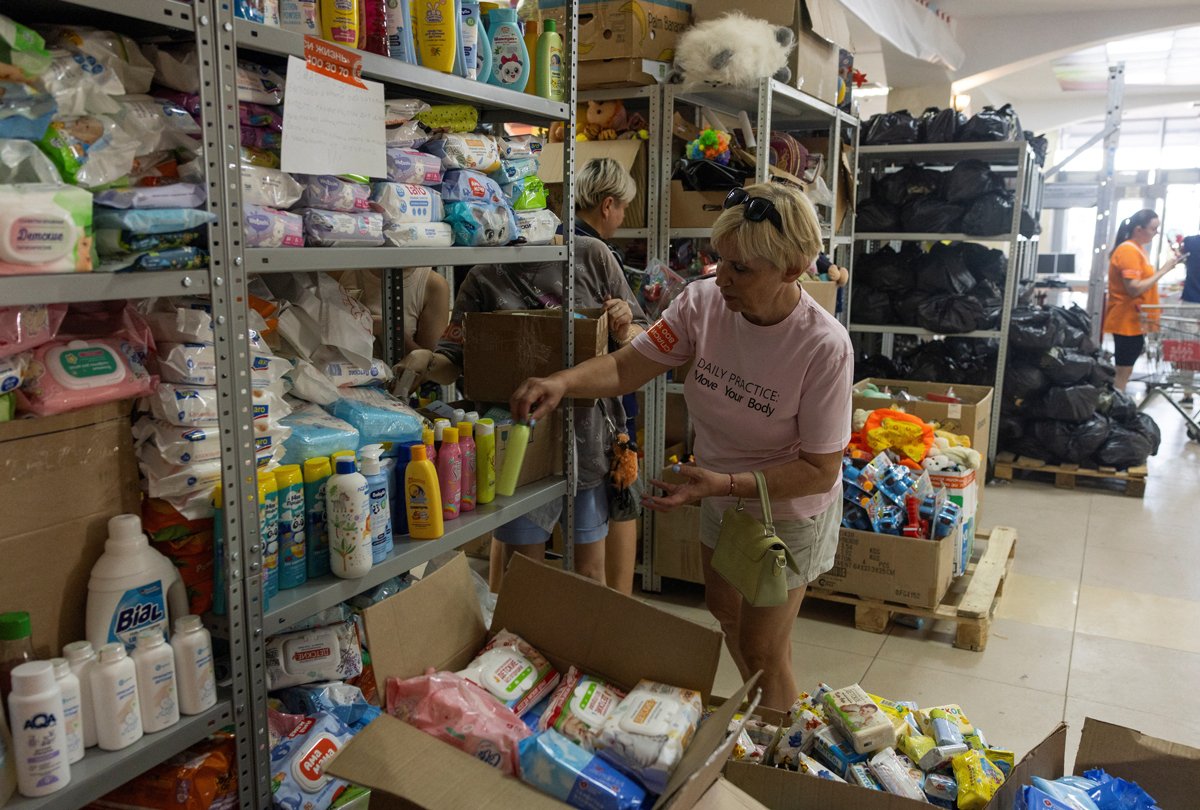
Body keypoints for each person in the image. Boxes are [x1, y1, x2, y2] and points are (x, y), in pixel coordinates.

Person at [510, 182, 853, 710]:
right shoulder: (702, 303)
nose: (724, 279)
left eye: (742, 269)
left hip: (786, 506)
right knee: (723, 607)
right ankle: (759, 711)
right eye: (722, 261)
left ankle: (780, 751)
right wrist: (562, 382)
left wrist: (724, 484)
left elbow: (821, 469)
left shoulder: (823, 346)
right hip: (717, 489)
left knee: (764, 645)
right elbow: (628, 365)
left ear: (792, 269)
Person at [396, 237, 647, 587]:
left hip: (586, 438)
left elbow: (642, 336)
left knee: (589, 572)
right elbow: (453, 358)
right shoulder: (484, 275)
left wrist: (624, 328)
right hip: (518, 442)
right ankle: (516, 643)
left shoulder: (590, 256)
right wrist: (426, 361)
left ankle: (581, 640)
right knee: (522, 571)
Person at [574, 157, 641, 594]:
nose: (620, 219)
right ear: (608, 204)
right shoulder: (596, 252)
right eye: (622, 210)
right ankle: (619, 608)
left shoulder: (552, 238)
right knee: (619, 497)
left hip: (559, 398)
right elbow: (636, 333)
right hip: (602, 403)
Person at [1104, 209, 1185, 391]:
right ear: (1138, 229)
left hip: (1135, 321)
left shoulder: (1138, 250)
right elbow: (1133, 289)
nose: (1156, 233)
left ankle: (1118, 407)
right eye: (1153, 229)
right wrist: (1164, 270)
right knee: (1122, 372)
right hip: (1126, 320)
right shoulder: (1127, 251)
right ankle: (1116, 410)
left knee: (1125, 370)